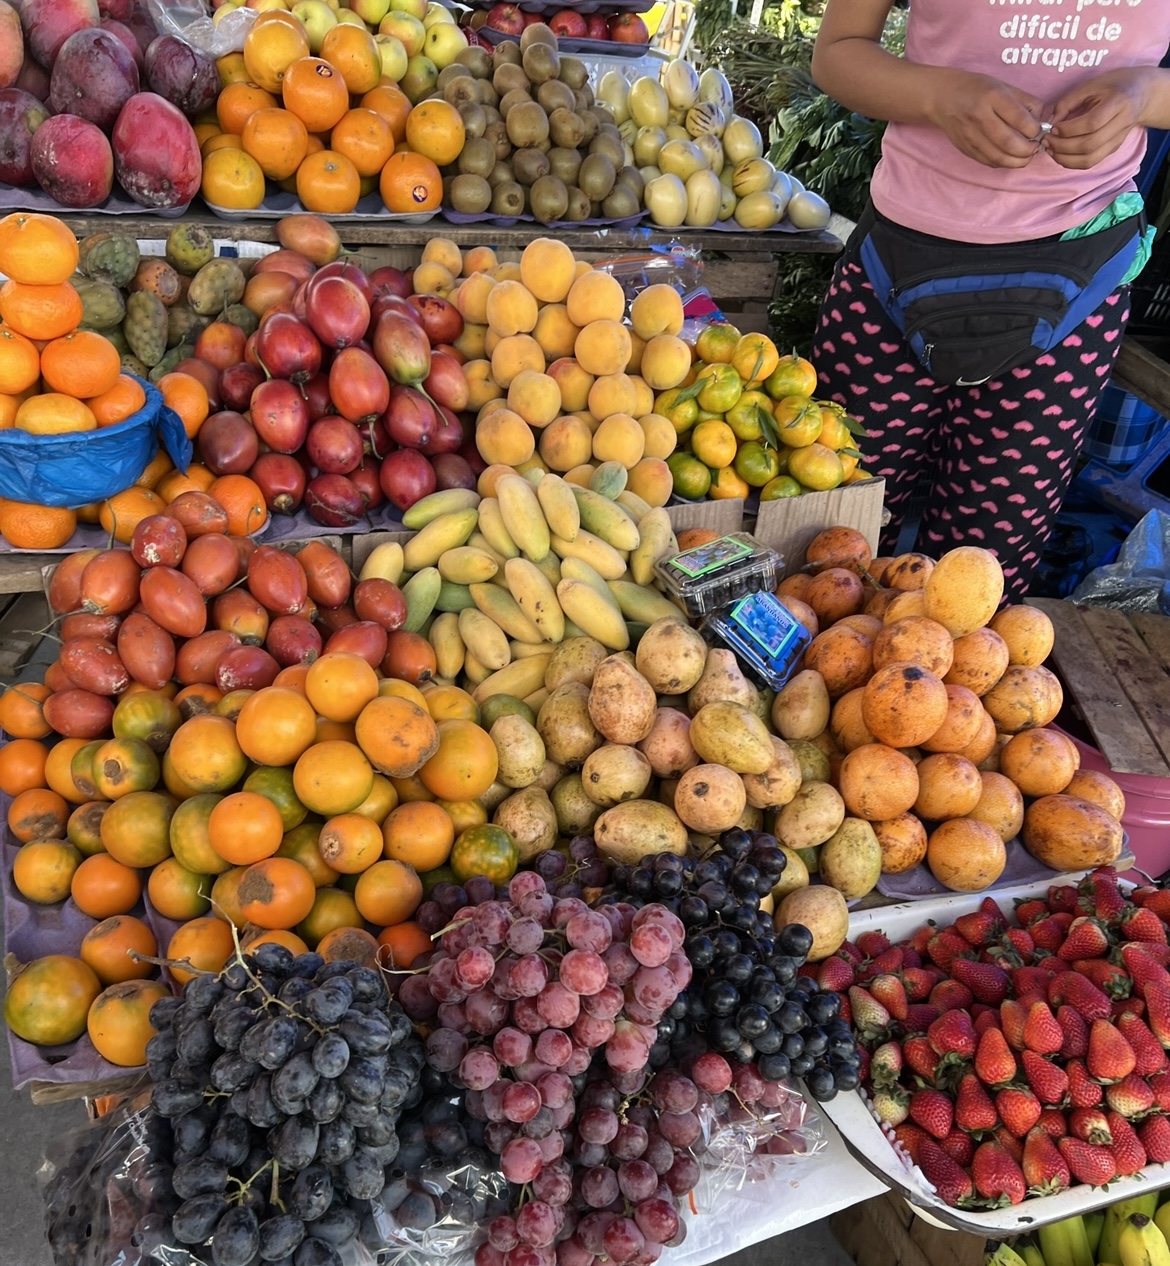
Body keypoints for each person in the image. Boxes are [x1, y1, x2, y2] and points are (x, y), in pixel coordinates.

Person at [809, 0, 1170, 596]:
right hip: (895, 272)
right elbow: (839, 49)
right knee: (828, 550)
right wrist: (938, 96)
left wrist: (1143, 95)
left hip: (1075, 285)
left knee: (982, 581)